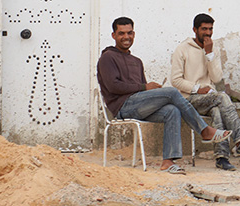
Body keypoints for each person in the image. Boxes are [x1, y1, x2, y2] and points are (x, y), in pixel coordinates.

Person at [97, 16, 230, 174]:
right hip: (123, 107)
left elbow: (142, 90)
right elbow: (113, 86)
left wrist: (152, 91)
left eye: (130, 33)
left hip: (139, 106)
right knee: (172, 92)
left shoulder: (136, 61)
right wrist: (145, 87)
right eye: (121, 33)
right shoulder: (107, 57)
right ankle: (204, 130)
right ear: (114, 35)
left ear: (134, 34)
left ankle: (168, 162)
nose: (126, 37)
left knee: (172, 110)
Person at [170, 13, 240, 171]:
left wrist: (209, 54)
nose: (208, 33)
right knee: (222, 96)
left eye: (210, 29)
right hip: (187, 99)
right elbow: (175, 81)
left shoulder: (212, 49)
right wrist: (197, 88)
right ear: (195, 29)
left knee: (217, 111)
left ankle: (222, 157)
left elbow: (216, 78)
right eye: (204, 29)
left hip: (209, 99)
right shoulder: (182, 49)